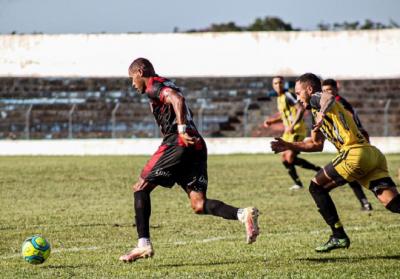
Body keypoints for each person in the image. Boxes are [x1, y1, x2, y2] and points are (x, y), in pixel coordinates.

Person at [119, 58, 259, 262]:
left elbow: (177, 100)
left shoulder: (154, 85)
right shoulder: (166, 83)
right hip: (196, 143)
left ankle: (143, 245)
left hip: (178, 141)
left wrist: (181, 130)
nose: (132, 84)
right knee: (199, 204)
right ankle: (242, 214)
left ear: (140, 72)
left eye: (132, 78)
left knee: (141, 187)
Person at [271, 73, 400, 253]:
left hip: (355, 154)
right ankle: (338, 235)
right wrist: (289, 144)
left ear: (309, 89)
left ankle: (338, 235)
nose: (299, 98)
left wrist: (322, 113)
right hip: (372, 155)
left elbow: (329, 97)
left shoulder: (317, 98)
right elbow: (316, 145)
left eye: (299, 93)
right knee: (394, 204)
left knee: (316, 187)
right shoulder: (314, 111)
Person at [322, 79, 373, 211]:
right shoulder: (333, 102)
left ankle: (365, 203)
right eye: (325, 90)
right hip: (349, 145)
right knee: (357, 176)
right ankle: (365, 203)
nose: (327, 92)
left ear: (336, 89)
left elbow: (352, 120)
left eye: (330, 90)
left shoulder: (339, 102)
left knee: (355, 176)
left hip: (355, 144)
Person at [264, 76, 321, 190]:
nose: (278, 85)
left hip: (297, 129)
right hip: (288, 131)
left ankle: (318, 170)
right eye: (275, 83)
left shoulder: (288, 95)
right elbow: (285, 114)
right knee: (284, 159)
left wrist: (293, 125)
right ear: (273, 85)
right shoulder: (279, 98)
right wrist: (272, 121)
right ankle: (300, 182)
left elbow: (300, 109)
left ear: (283, 84)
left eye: (280, 82)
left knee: (289, 157)